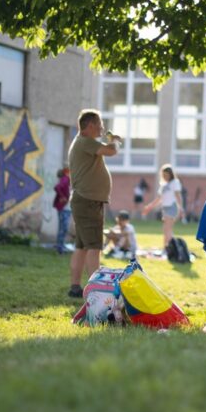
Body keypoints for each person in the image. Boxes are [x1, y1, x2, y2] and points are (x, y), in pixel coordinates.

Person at [67, 110, 122, 298]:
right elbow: (111, 151)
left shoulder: (82, 142)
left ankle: (75, 287)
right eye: (99, 124)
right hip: (88, 201)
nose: (102, 128)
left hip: (85, 201)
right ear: (90, 126)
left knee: (82, 247)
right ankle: (96, 290)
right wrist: (115, 140)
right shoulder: (86, 142)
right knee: (94, 247)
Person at [142, 164, 184, 248]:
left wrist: (181, 209)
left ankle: (166, 248)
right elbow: (159, 199)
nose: (165, 177)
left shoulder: (175, 182)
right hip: (165, 208)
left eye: (167, 175)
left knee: (167, 229)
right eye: (163, 175)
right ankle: (171, 247)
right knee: (167, 229)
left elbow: (178, 196)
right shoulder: (163, 185)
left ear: (171, 174)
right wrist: (149, 207)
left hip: (172, 207)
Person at [52, 165, 71, 255]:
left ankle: (60, 246)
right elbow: (57, 187)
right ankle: (60, 248)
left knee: (63, 228)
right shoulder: (66, 178)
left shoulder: (68, 179)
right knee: (63, 228)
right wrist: (63, 197)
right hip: (64, 208)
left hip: (67, 208)